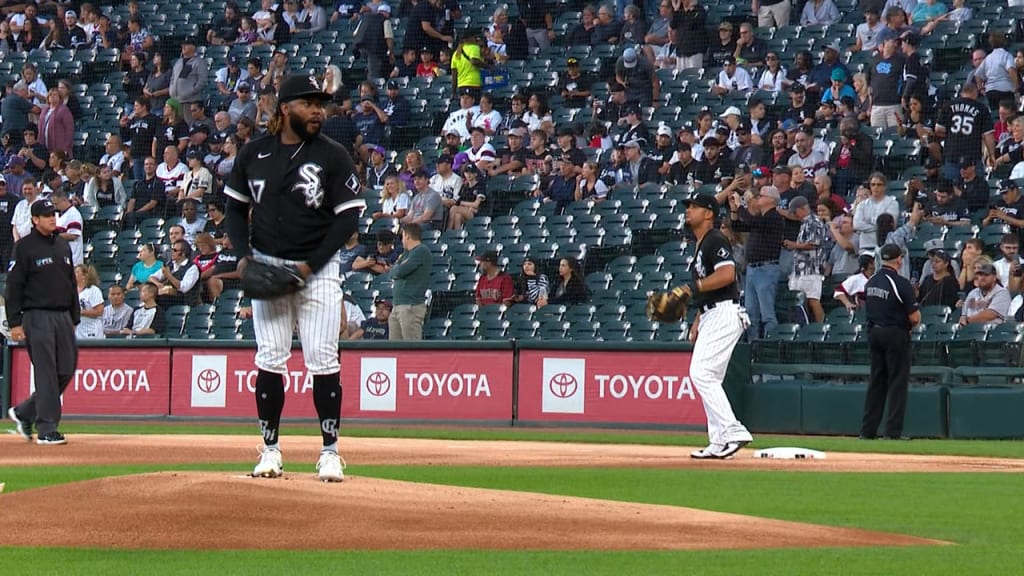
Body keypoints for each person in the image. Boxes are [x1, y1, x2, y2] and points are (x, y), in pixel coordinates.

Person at [224, 75, 364, 483]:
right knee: (269, 359)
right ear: (285, 108)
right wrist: (244, 257)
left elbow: (349, 217)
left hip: (317, 271)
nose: (319, 110)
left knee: (323, 360)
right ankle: (269, 450)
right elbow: (234, 209)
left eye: (321, 105)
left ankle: (330, 452)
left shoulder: (333, 155)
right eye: (309, 104)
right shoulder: (254, 153)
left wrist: (310, 266)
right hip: (268, 266)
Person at [671, 193, 754, 459]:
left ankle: (733, 430)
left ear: (708, 213)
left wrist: (692, 287)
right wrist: (697, 321)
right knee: (710, 377)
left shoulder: (715, 239)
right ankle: (718, 441)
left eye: (694, 207)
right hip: (711, 314)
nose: (688, 211)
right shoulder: (701, 243)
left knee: (701, 373)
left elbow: (727, 274)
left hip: (725, 313)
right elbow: (707, 292)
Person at [5, 198, 80, 446]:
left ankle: (25, 412)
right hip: (36, 315)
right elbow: (14, 287)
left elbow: (71, 283)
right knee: (47, 371)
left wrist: (74, 316)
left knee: (67, 369)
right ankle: (47, 428)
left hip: (62, 316)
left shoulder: (61, 246)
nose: (52, 218)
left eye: (53, 214)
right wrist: (14, 322)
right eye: (46, 215)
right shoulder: (24, 247)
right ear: (35, 220)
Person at [861, 243, 920, 441]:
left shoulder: (871, 282)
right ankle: (892, 432)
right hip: (895, 334)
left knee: (876, 382)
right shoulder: (901, 283)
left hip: (874, 333)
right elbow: (914, 318)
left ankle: (867, 431)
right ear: (898, 259)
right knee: (897, 383)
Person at [388, 223, 431, 341]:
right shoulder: (406, 253)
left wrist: (396, 268)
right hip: (397, 306)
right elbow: (392, 272)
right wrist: (396, 269)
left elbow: (400, 270)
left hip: (410, 306)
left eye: (402, 236)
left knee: (411, 349)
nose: (402, 240)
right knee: (394, 350)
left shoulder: (421, 251)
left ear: (407, 236)